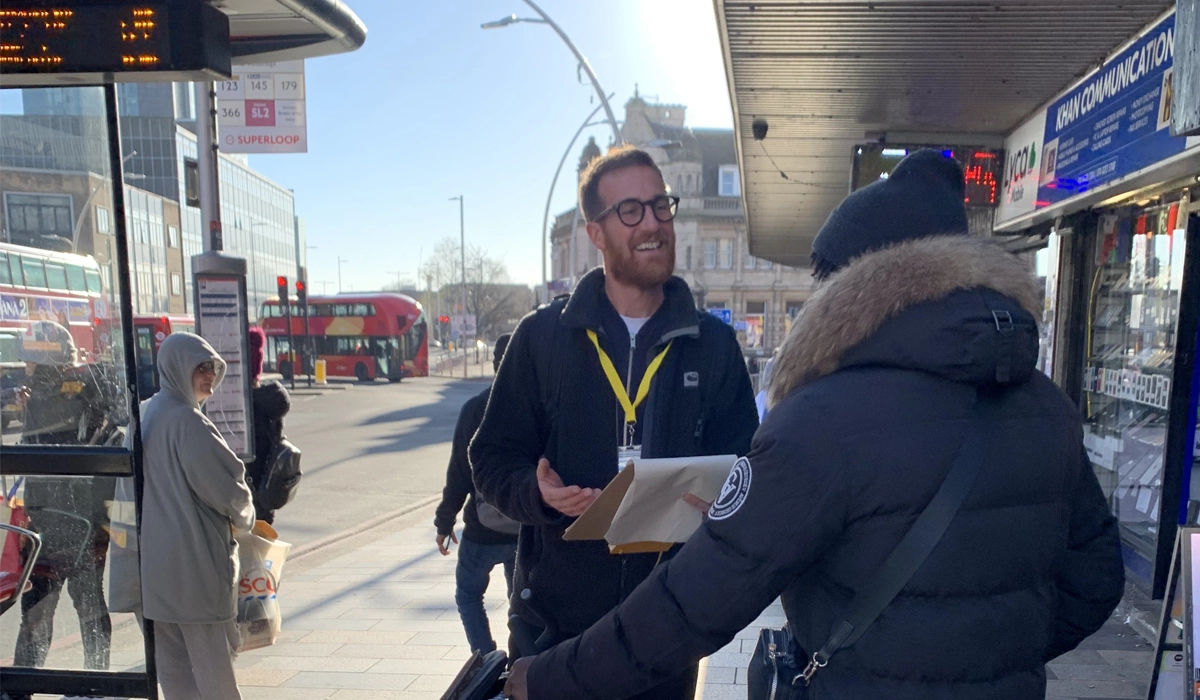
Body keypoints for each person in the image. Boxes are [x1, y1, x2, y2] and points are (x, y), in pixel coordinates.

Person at [503, 150, 1125, 700]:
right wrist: (984, 660)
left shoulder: (822, 421)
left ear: (854, 287)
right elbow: (1097, 581)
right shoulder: (1048, 405)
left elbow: (699, 600)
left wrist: (548, 678)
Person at [471, 146, 758, 699]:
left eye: (660, 206)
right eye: (631, 211)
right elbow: (489, 459)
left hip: (663, 633)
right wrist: (536, 492)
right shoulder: (541, 339)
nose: (652, 223)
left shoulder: (714, 345)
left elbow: (746, 468)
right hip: (552, 630)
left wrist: (719, 503)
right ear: (596, 233)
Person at [139, 333, 255, 700]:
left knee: (175, 676)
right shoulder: (188, 422)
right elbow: (228, 491)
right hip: (195, 568)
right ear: (177, 368)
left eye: (212, 367)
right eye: (199, 367)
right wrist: (246, 515)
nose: (208, 375)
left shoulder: (146, 413)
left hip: (155, 572)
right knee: (214, 672)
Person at [11, 321, 115, 677]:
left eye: (30, 361)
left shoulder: (52, 395)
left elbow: (35, 451)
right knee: (86, 604)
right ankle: (95, 676)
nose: (25, 367)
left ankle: (22, 683)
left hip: (54, 519)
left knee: (37, 607)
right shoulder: (74, 392)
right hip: (80, 518)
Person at [434, 333, 518, 654]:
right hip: (524, 530)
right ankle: (520, 662)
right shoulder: (536, 410)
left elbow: (459, 473)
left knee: (469, 596)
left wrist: (445, 523)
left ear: (495, 365)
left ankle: (486, 660)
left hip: (482, 531)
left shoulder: (474, 410)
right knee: (521, 603)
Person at [245, 326, 291, 524]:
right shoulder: (271, 401)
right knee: (262, 552)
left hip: (242, 502)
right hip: (266, 497)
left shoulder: (241, 407)